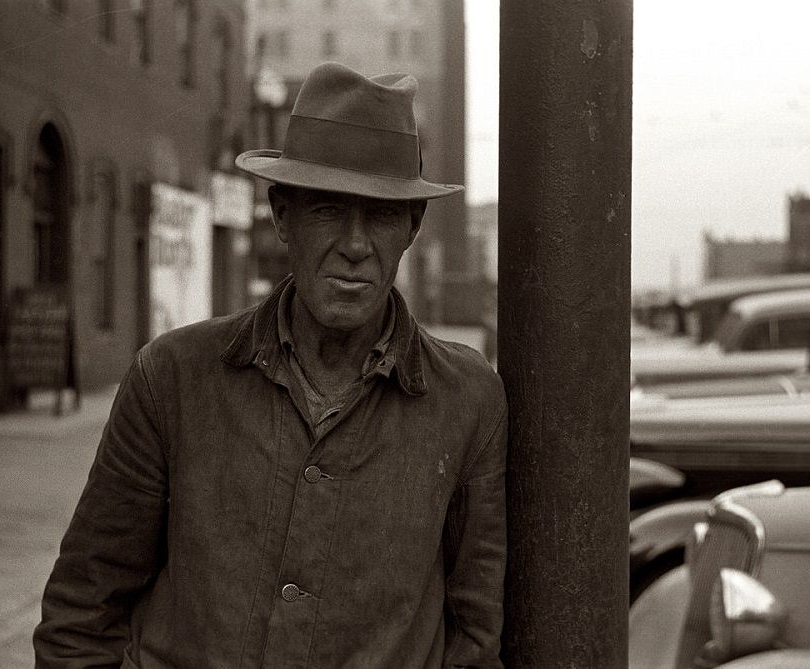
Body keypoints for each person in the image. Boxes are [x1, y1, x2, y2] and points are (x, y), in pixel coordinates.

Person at [34, 62, 508, 668]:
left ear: (413, 229)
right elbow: (83, 611)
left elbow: (475, 639)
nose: (357, 245)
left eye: (383, 214)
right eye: (329, 210)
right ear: (282, 216)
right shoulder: (173, 378)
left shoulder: (466, 401)